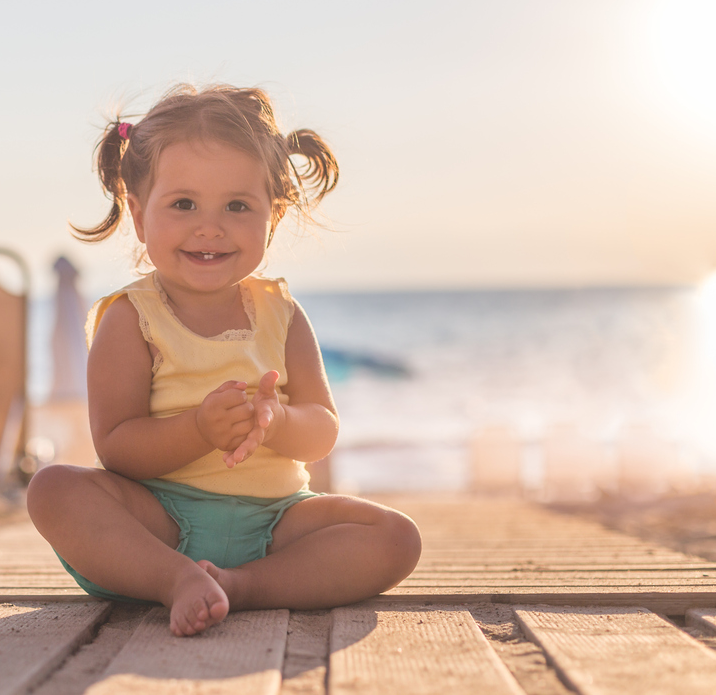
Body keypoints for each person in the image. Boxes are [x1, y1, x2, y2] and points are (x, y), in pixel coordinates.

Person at [27, 85, 421, 636]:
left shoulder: (281, 313)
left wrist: (278, 422)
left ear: (273, 218)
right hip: (161, 521)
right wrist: (198, 428)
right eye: (183, 204)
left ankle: (244, 584)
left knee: (397, 537)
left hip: (278, 519)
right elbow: (116, 448)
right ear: (140, 217)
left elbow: (322, 430)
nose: (209, 226)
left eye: (238, 206)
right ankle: (173, 579)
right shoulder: (130, 318)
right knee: (53, 489)